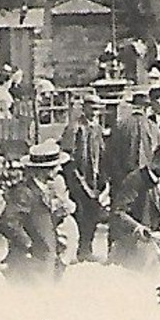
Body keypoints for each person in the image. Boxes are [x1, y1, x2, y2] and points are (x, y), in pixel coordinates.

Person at [0, 141, 72, 282]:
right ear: (44, 170)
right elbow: (7, 222)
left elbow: (38, 221)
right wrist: (28, 245)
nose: (59, 169)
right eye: (55, 167)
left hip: (45, 261)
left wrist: (58, 216)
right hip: (29, 266)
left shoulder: (43, 189)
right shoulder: (25, 192)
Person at [109, 140, 160, 270]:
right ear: (158, 163)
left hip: (154, 244)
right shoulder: (135, 180)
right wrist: (138, 228)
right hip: (131, 246)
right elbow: (118, 212)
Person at [58, 93, 109, 261]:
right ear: (84, 108)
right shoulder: (75, 128)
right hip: (78, 177)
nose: (94, 112)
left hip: (93, 178)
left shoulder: (97, 128)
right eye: (91, 108)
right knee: (81, 213)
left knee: (93, 212)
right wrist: (76, 179)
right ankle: (81, 249)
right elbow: (67, 156)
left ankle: (86, 248)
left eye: (97, 109)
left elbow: (101, 152)